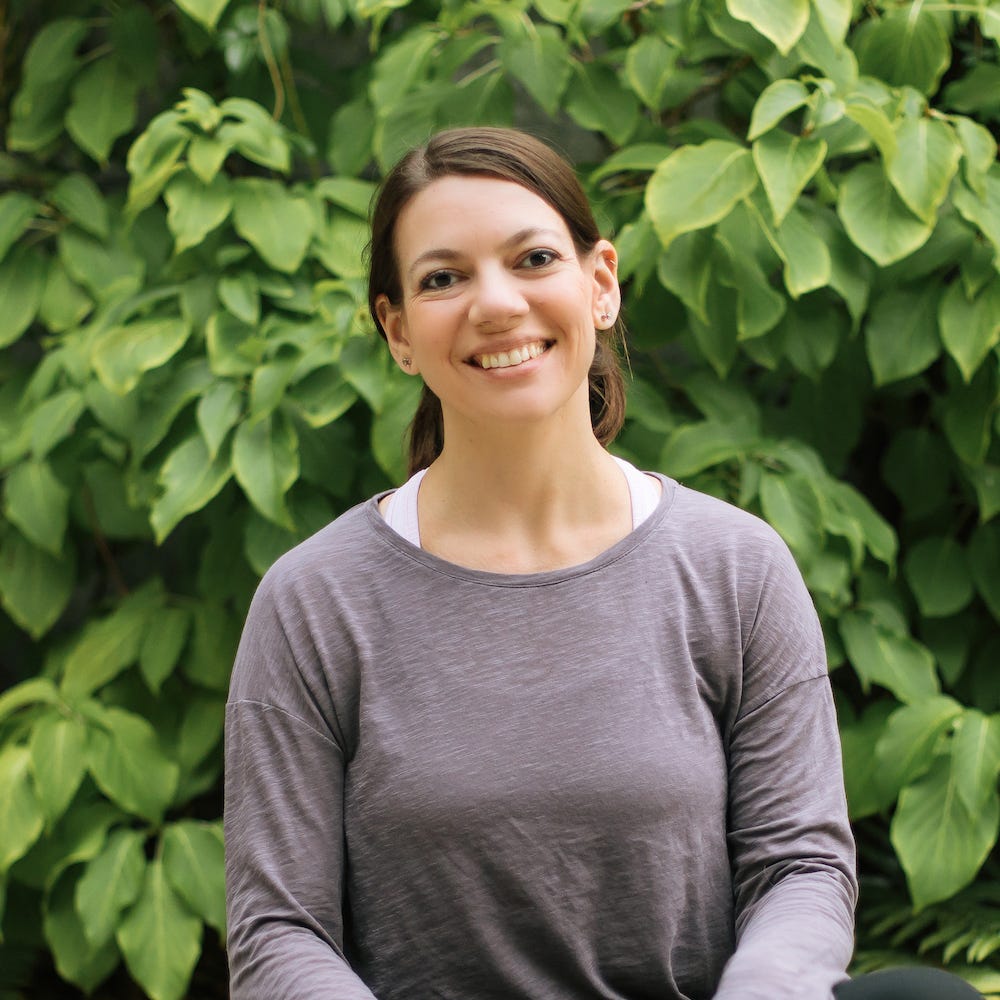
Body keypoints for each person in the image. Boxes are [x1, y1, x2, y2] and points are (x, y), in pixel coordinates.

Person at [224, 127, 981, 1000]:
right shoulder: (316, 601)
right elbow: (280, 930)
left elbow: (801, 868)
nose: (497, 303)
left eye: (533, 258)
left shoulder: (734, 568)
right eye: (443, 278)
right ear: (397, 331)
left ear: (601, 284)